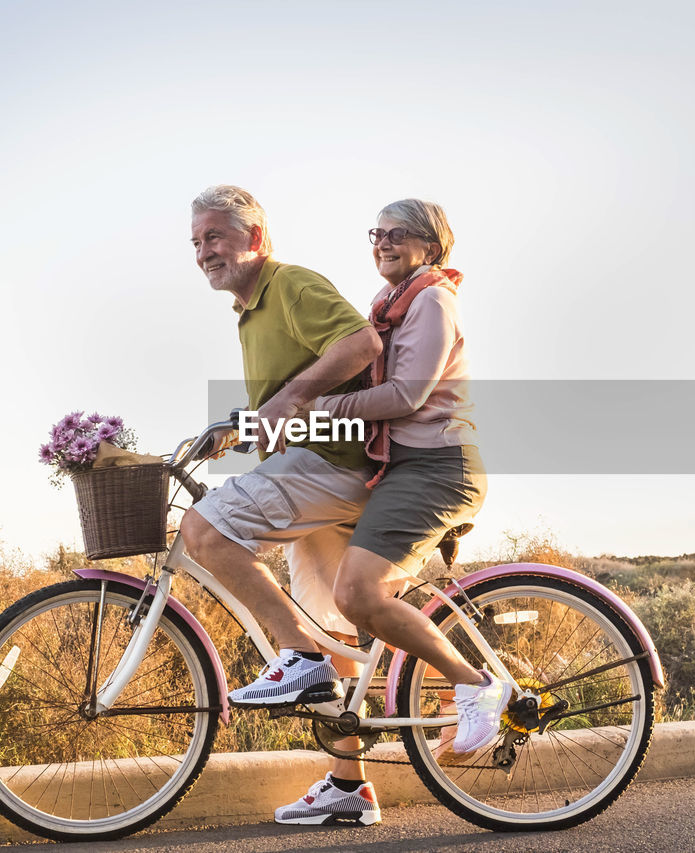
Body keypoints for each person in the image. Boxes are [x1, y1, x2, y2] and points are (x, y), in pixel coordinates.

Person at [273, 199, 494, 826]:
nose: (384, 242)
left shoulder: (432, 301)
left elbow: (405, 394)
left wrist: (309, 408)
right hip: (397, 472)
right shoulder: (387, 305)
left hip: (436, 469)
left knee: (359, 595)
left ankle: (473, 683)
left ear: (432, 245)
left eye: (399, 234)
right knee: (337, 613)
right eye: (377, 233)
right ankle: (347, 786)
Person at [178, 185, 383, 822]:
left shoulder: (289, 284)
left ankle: (293, 652)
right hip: (315, 471)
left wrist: (290, 398)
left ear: (255, 237)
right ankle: (349, 788)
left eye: (214, 236)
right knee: (338, 646)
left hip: (335, 465)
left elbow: (361, 345)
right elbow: (282, 403)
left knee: (203, 528)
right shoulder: (249, 310)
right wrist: (239, 424)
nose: (203, 251)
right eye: (196, 242)